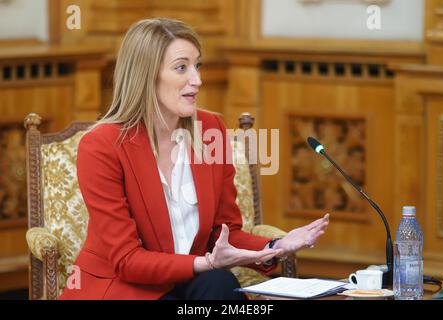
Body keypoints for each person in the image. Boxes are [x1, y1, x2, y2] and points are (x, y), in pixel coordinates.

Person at [60, 17, 330, 300]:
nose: (197, 80)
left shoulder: (210, 130)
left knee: (219, 284)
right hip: (124, 286)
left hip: (189, 279)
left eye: (197, 65)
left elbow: (224, 233)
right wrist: (206, 263)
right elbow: (127, 260)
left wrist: (277, 244)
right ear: (145, 75)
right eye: (181, 68)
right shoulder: (101, 145)